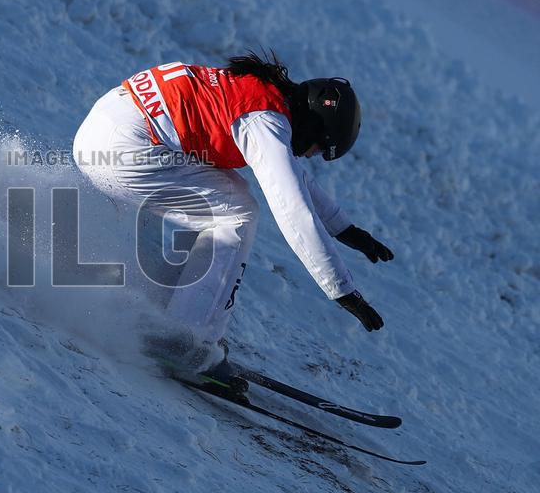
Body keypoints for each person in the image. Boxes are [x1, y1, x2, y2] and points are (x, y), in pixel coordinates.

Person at [72, 52, 393, 392]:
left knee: (231, 199)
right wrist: (341, 290)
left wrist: (345, 229)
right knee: (238, 213)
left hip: (100, 136)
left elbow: (293, 177)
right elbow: (293, 209)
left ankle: (181, 322)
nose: (307, 155)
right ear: (313, 124)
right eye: (317, 147)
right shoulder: (265, 121)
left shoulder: (261, 96)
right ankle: (182, 341)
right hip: (127, 150)